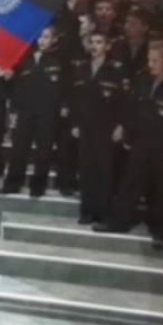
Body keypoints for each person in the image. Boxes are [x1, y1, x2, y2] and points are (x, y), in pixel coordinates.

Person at [95, 42, 163, 248]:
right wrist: (127, 132)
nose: (150, 64)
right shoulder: (143, 80)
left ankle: (161, 232)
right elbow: (133, 109)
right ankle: (119, 221)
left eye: (155, 60)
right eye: (149, 60)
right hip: (142, 143)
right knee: (130, 184)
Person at [68, 32, 128, 225]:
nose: (94, 46)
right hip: (85, 126)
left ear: (108, 46)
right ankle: (87, 211)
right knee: (86, 170)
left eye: (99, 42)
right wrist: (74, 123)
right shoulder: (81, 68)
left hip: (106, 127)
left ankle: (102, 212)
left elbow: (125, 102)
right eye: (92, 42)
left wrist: (121, 126)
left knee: (104, 170)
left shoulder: (117, 69)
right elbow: (74, 99)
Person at [0, 27, 64, 198]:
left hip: (48, 111)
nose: (42, 40)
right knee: (19, 148)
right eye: (40, 36)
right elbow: (17, 86)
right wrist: (9, 79)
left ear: (54, 39)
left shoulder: (59, 60)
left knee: (44, 150)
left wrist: (61, 107)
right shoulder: (24, 58)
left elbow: (64, 87)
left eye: (47, 37)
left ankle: (38, 186)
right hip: (26, 110)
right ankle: (13, 183)